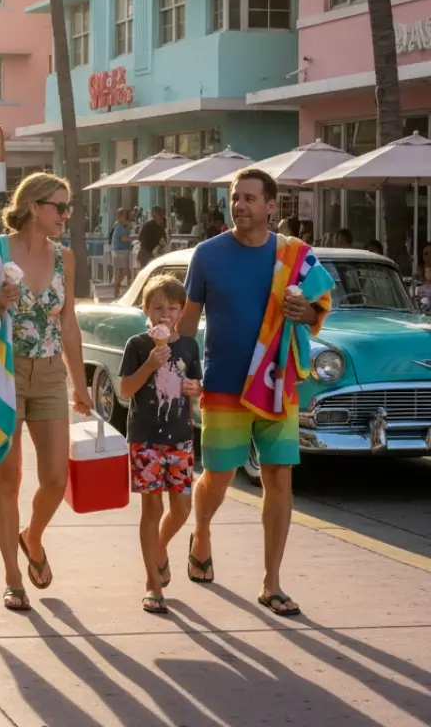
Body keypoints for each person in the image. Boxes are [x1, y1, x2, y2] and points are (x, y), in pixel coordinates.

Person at [178, 169, 331, 617]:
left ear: (271, 207)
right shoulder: (207, 255)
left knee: (279, 477)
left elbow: (318, 309)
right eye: (234, 198)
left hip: (278, 384)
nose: (239, 205)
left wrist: (305, 313)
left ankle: (271, 582)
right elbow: (189, 322)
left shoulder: (296, 256)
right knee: (218, 478)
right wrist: (170, 361)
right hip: (223, 384)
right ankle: (201, 532)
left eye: (249, 198)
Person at [0, 173, 92, 613]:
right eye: (59, 207)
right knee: (10, 478)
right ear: (33, 207)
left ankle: (32, 536)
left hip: (47, 375)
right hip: (3, 372)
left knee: (56, 478)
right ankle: (11, 577)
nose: (65, 215)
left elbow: (68, 322)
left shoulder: (65, 257)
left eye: (68, 208)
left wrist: (79, 384)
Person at [118, 274, 202, 615]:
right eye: (156, 308)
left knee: (182, 508)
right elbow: (125, 390)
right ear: (145, 311)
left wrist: (195, 390)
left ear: (181, 313)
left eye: (171, 308)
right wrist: (151, 363)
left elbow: (196, 384)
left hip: (180, 438)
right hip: (146, 439)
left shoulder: (189, 346)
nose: (164, 314)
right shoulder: (138, 345)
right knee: (151, 509)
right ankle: (153, 584)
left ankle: (160, 550)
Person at [109, 207, 134, 297]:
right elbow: (124, 239)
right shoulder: (119, 227)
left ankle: (117, 288)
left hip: (120, 251)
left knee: (123, 271)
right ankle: (117, 289)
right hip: (120, 252)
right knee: (121, 272)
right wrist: (134, 238)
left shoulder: (121, 226)